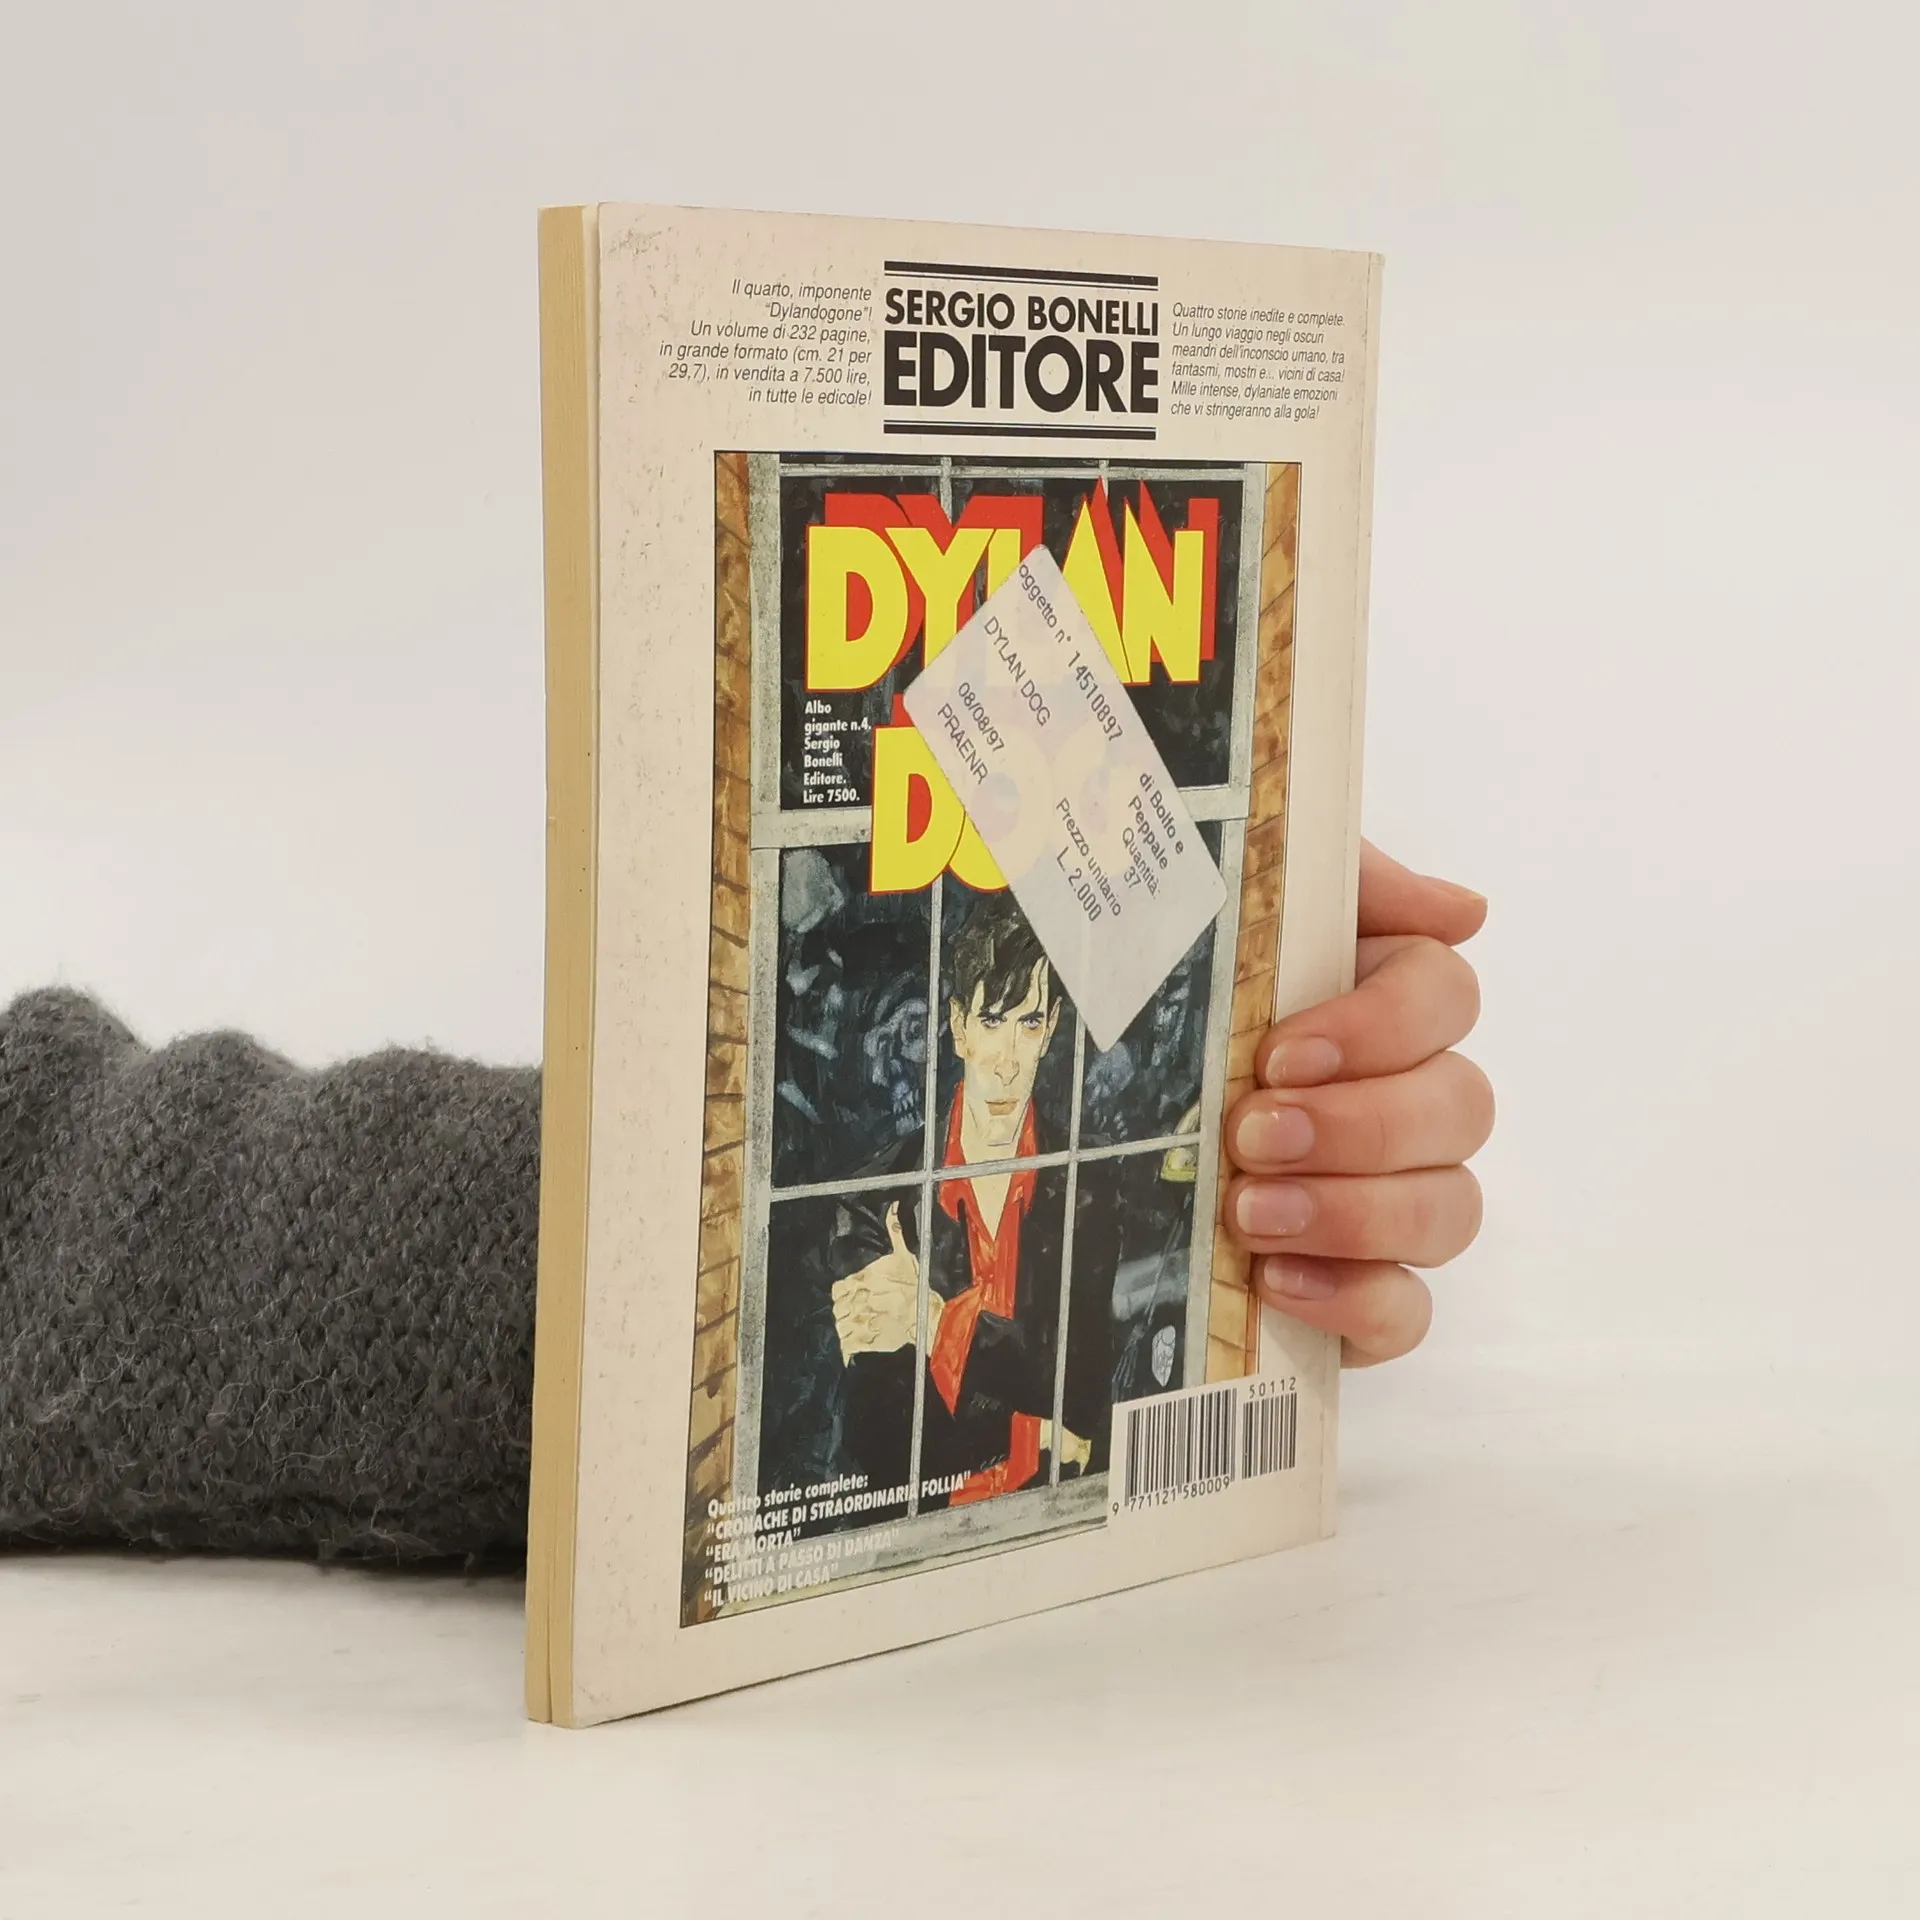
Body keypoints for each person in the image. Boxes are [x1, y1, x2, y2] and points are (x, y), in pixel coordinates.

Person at [0, 842, 1488, 1556]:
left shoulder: (1086, 1181)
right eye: (995, 1022)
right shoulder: (863, 1189)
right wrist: (632, 1260)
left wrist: (1246, 1099)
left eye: (1038, 1025)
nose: (1013, 1051)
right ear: (958, 1028)